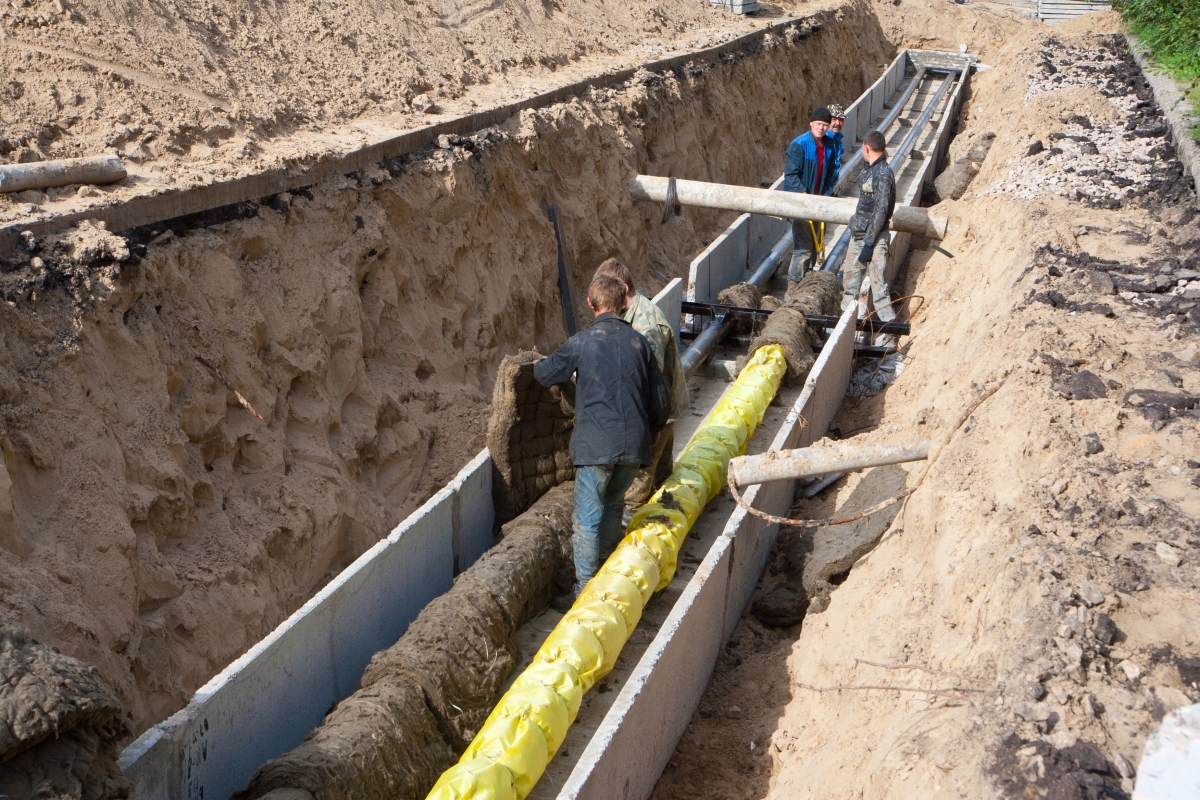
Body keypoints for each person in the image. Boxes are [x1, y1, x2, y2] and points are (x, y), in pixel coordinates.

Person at [534, 272, 672, 611]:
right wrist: (647, 431)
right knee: (613, 506)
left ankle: (584, 592)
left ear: (590, 303)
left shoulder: (582, 341)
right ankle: (609, 581)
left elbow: (546, 373)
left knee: (587, 519)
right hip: (633, 446)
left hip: (596, 445)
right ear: (622, 299)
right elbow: (660, 402)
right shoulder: (639, 343)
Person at [593, 258, 690, 520]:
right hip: (662, 410)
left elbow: (648, 382)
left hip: (655, 414)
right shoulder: (631, 315)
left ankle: (631, 537)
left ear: (622, 289)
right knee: (662, 474)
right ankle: (666, 517)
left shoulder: (645, 327)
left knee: (636, 482)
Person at [841, 130, 897, 344]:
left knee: (878, 286)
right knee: (850, 284)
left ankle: (890, 334)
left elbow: (882, 210)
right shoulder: (871, 171)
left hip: (873, 239)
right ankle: (843, 330)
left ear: (866, 148)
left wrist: (868, 243)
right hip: (860, 237)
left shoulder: (882, 173)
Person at [783, 107, 837, 291]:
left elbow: (831, 173)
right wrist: (803, 195)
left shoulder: (829, 145)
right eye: (819, 124)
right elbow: (791, 175)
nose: (821, 128)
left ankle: (806, 281)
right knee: (803, 246)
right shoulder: (800, 144)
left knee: (816, 244)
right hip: (801, 203)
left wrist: (826, 195)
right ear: (811, 124)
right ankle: (794, 284)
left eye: (825, 125)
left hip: (819, 203)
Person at [828, 103, 847, 186]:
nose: (838, 123)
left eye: (841, 119)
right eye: (834, 119)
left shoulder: (837, 139)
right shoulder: (823, 140)